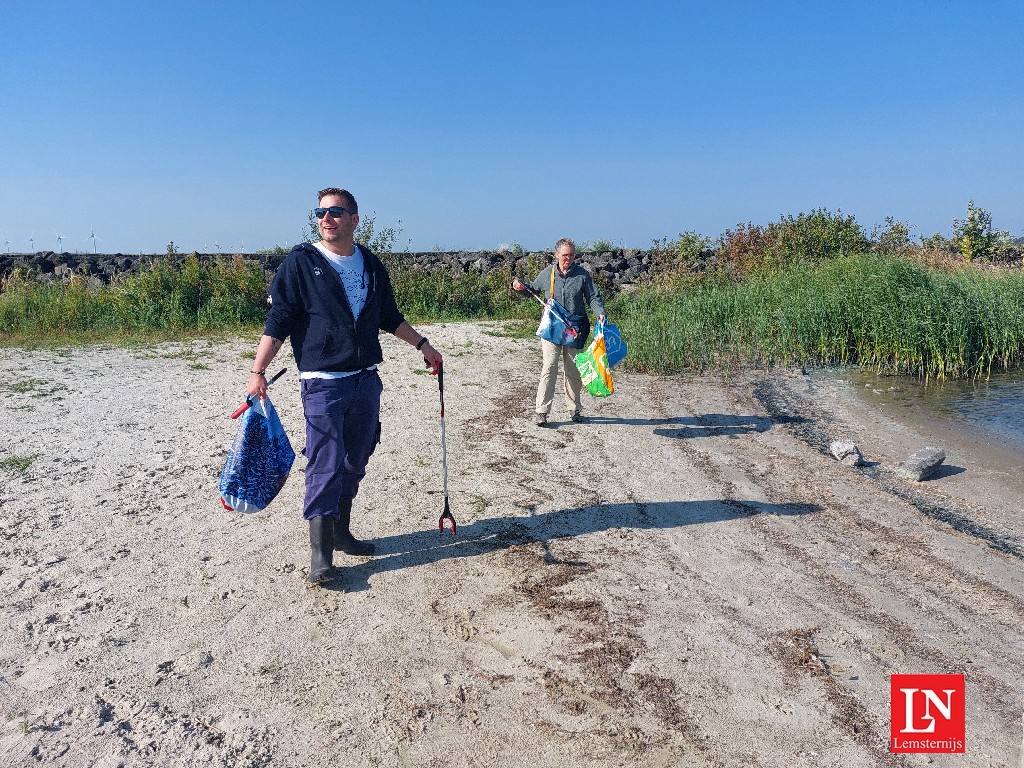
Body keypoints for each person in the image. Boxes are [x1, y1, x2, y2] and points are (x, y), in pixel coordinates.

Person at [245, 187, 442, 584]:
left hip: (365, 379)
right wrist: (258, 371)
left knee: (357, 456)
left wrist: (423, 345)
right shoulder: (301, 263)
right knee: (325, 460)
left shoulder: (370, 263)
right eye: (320, 212)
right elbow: (279, 319)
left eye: (336, 212)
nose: (326, 218)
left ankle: (341, 532)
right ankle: (320, 554)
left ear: (354, 218)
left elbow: (388, 315)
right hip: (323, 382)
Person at [512, 238, 605, 427]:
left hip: (576, 329)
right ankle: (542, 412)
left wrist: (600, 313)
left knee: (573, 370)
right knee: (549, 367)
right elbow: (532, 289)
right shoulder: (548, 273)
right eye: (564, 255)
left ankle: (575, 409)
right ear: (556, 255)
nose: (568, 259)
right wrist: (519, 288)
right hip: (552, 328)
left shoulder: (582, 275)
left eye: (571, 255)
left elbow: (593, 297)